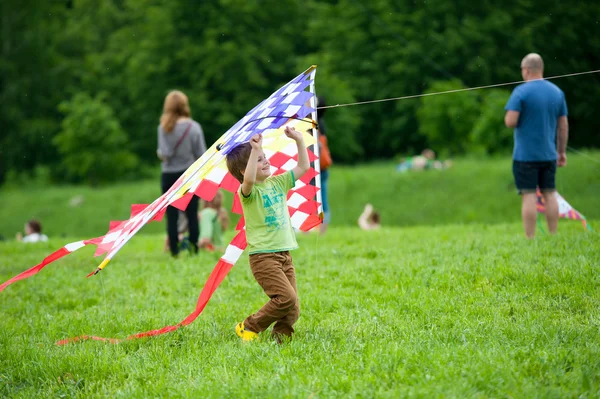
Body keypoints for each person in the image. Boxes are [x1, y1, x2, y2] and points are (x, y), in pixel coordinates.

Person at [225, 126, 309, 342]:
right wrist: (255, 149)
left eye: (264, 157)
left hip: (284, 255)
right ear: (244, 171)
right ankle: (249, 326)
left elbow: (303, 166)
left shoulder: (278, 183)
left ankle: (279, 341)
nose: (265, 161)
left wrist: (299, 140)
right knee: (285, 298)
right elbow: (250, 180)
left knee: (293, 308)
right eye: (259, 159)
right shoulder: (248, 192)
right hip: (264, 257)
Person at [504, 53, 569, 239]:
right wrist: (561, 151)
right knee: (550, 194)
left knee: (529, 196)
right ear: (541, 69)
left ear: (526, 70)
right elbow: (563, 125)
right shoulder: (557, 92)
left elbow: (510, 121)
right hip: (549, 155)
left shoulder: (521, 92)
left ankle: (530, 237)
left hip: (525, 156)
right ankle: (553, 234)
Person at [157, 90, 207, 256]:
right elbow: (201, 154)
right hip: (189, 175)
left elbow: (163, 154)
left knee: (171, 215)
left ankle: (174, 250)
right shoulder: (194, 127)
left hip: (169, 175)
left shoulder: (163, 127)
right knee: (191, 212)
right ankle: (194, 248)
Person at [316, 96, 333, 234]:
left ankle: (320, 231)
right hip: (323, 169)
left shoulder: (314, 125)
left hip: (316, 169)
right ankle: (322, 231)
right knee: (323, 201)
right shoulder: (321, 123)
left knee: (315, 201)